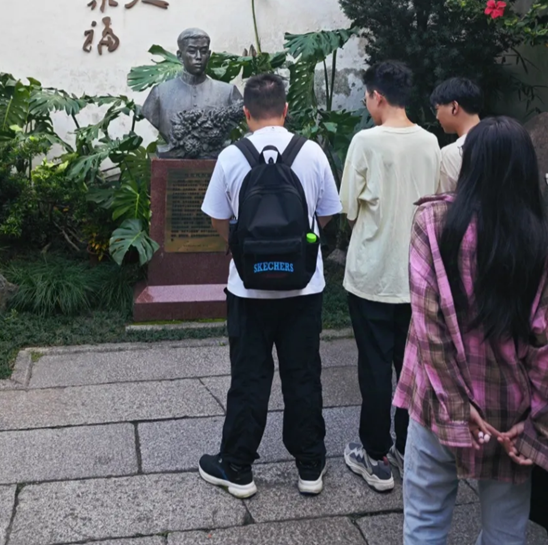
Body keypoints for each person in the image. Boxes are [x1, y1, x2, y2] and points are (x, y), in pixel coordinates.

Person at [395, 116, 548, 544]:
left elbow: (428, 328)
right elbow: (543, 346)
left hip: (436, 404)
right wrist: (536, 426)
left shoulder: (433, 221)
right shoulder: (539, 239)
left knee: (424, 523)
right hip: (510, 416)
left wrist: (458, 407)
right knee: (505, 533)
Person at [198, 72, 342, 498]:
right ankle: (310, 466)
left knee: (249, 376)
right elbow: (327, 214)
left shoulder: (231, 156)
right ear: (285, 110)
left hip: (248, 291)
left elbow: (218, 219)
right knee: (303, 374)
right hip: (304, 288)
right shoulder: (311, 152)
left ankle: (237, 467)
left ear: (246, 113)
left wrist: (245, 250)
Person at [340, 61, 440, 492]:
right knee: (411, 369)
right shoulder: (431, 142)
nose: (367, 102)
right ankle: (407, 448)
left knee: (375, 367)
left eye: (367, 96)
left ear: (377, 96)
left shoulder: (366, 141)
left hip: (372, 275)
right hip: (418, 276)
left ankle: (375, 454)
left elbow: (348, 206)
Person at [141, 28, 242, 156]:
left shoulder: (229, 93)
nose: (198, 57)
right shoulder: (159, 93)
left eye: (203, 51)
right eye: (192, 51)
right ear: (180, 56)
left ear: (209, 54)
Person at [430, 77, 482, 192]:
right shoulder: (505, 139)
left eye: (437, 109)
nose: (437, 117)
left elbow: (445, 199)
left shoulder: (452, 153)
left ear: (454, 107)